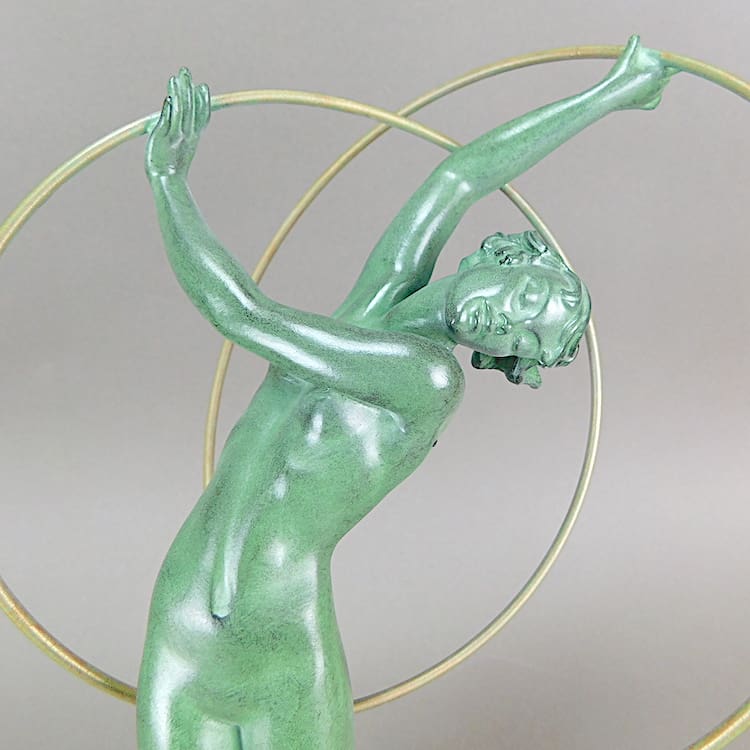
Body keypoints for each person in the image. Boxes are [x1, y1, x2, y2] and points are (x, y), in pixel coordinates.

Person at [136, 36, 677, 749]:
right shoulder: (379, 300)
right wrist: (609, 92)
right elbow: (461, 175)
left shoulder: (428, 378)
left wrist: (169, 181)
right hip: (180, 626)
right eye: (524, 295)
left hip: (283, 654)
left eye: (523, 335)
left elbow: (245, 315)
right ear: (503, 255)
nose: (506, 321)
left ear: (508, 358)